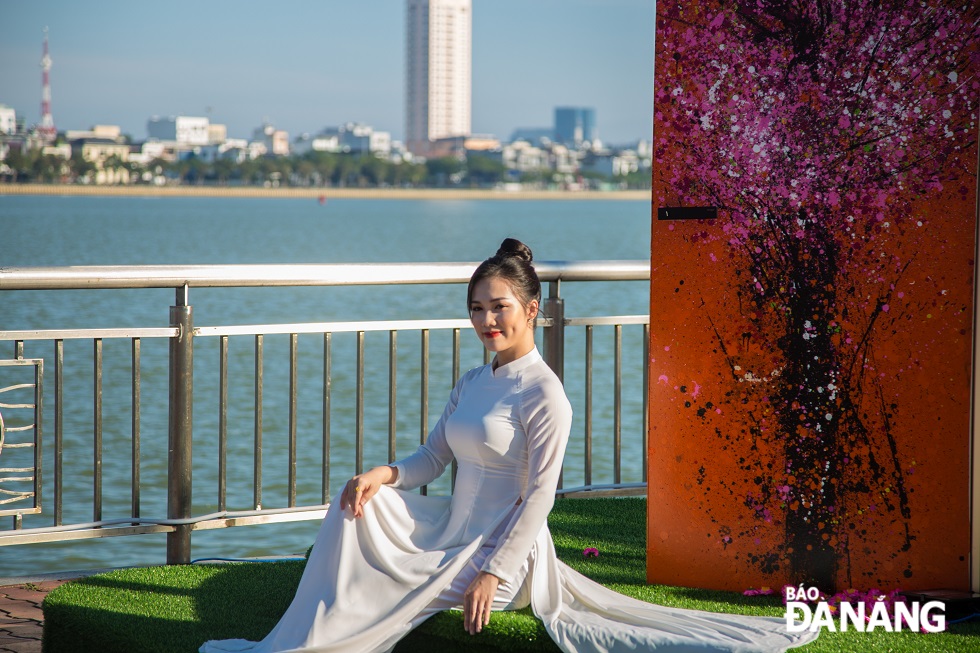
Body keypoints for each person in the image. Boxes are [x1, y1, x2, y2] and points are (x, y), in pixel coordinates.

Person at [201, 238, 818, 653]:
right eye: (476, 309)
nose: (486, 321)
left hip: (505, 551)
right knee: (359, 506)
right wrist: (382, 475)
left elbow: (540, 501)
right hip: (450, 530)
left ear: (529, 309)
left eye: (498, 308)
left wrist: (493, 572)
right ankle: (296, 641)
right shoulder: (474, 381)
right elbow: (431, 460)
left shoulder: (545, 395)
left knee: (396, 572)